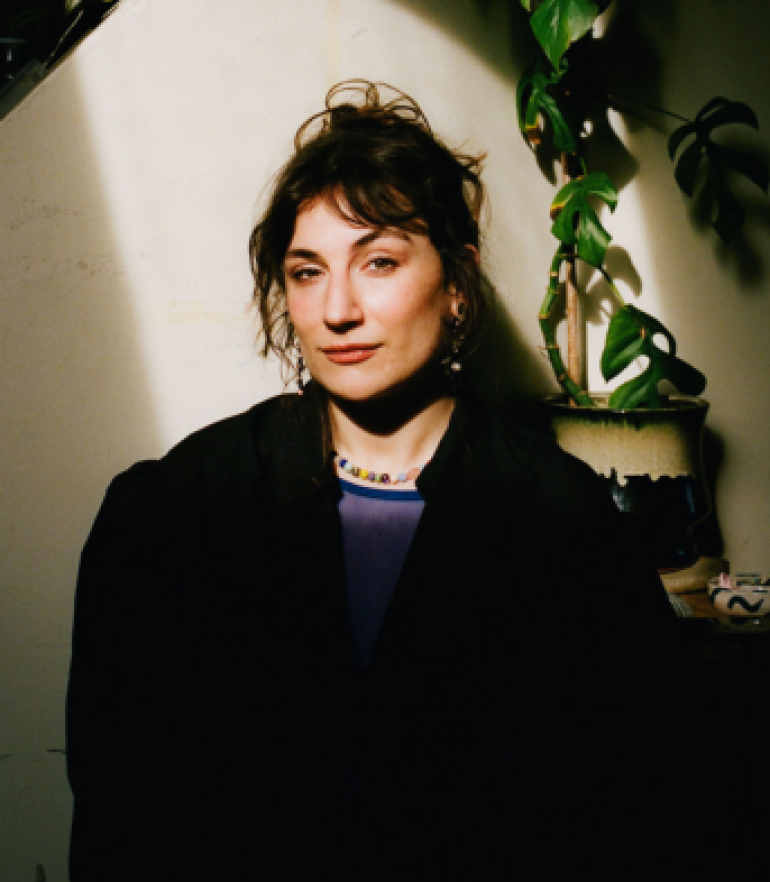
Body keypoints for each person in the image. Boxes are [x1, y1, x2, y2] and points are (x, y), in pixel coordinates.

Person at [66, 81, 698, 881]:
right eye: (306, 271)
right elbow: (120, 809)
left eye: (380, 262)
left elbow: (633, 812)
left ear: (458, 280)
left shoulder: (561, 522)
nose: (337, 308)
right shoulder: (179, 507)